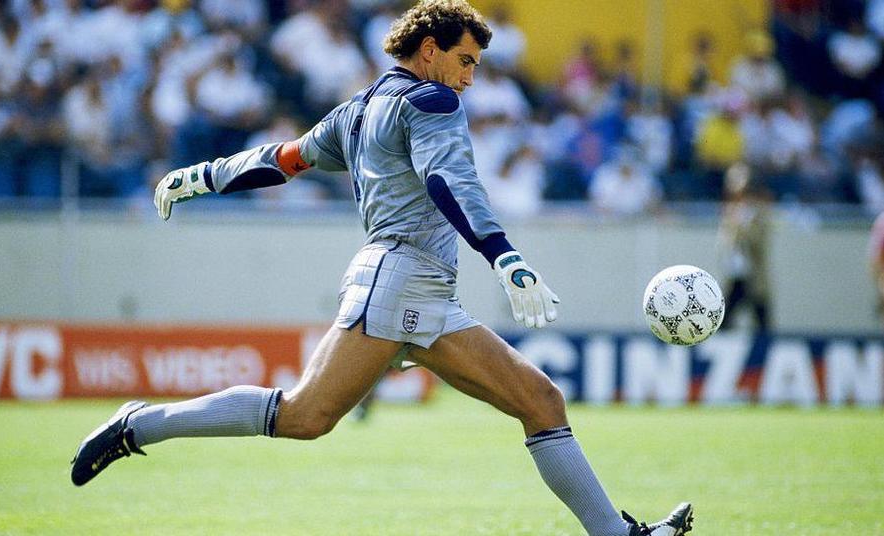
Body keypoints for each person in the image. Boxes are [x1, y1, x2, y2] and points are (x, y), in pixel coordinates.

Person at [70, 2, 693, 535]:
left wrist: (204, 176)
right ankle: (140, 422)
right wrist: (503, 254)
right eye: (466, 60)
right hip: (399, 283)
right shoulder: (432, 99)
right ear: (430, 50)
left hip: (421, 290)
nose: (471, 77)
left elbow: (282, 159)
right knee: (304, 416)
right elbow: (448, 176)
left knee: (540, 400)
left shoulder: (360, 110)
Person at [717, 162, 772, 331]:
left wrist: (741, 230)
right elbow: (725, 241)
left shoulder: (759, 212)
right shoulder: (731, 211)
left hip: (753, 275)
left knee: (762, 321)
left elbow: (758, 241)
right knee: (724, 319)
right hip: (736, 274)